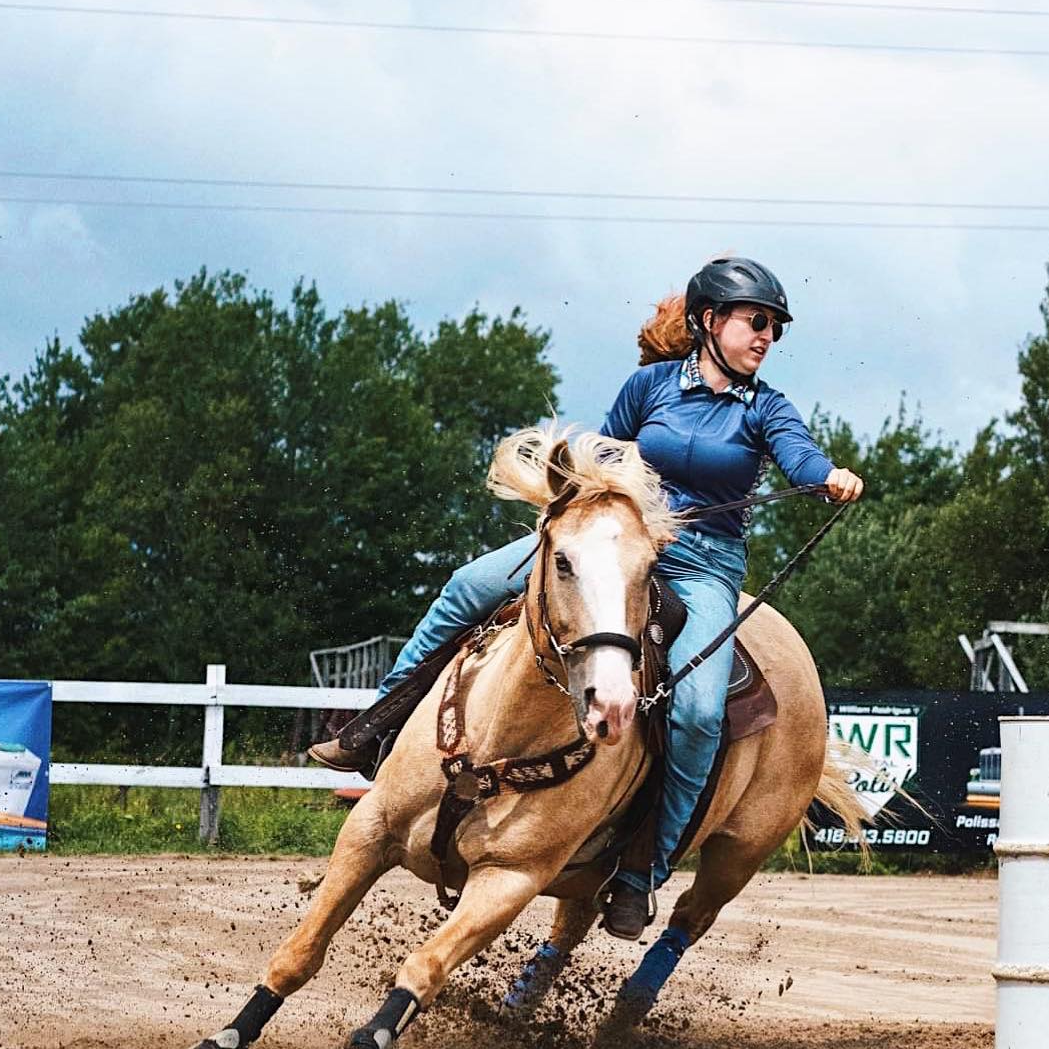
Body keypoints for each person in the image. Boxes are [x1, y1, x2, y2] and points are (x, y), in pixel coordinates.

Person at [310, 256, 864, 938]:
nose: (766, 337)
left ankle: (642, 868)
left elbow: (800, 457)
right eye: (756, 322)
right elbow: (605, 457)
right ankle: (376, 727)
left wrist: (828, 476)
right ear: (709, 321)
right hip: (615, 543)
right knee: (468, 587)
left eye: (775, 328)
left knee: (697, 711)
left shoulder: (768, 409)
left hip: (702, 567)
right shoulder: (650, 386)